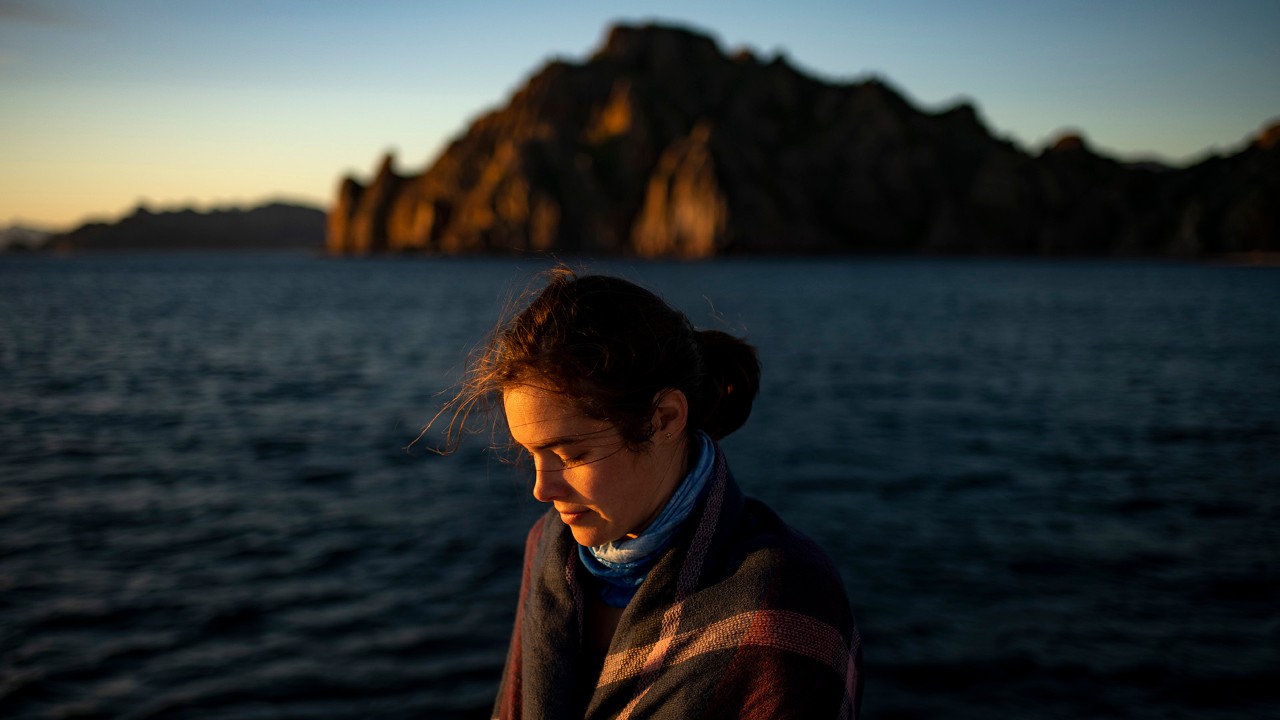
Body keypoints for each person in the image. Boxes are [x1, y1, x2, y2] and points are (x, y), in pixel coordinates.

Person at [439, 268, 861, 719]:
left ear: (664, 418)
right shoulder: (547, 549)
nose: (542, 489)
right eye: (530, 455)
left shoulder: (786, 608)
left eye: (572, 454)